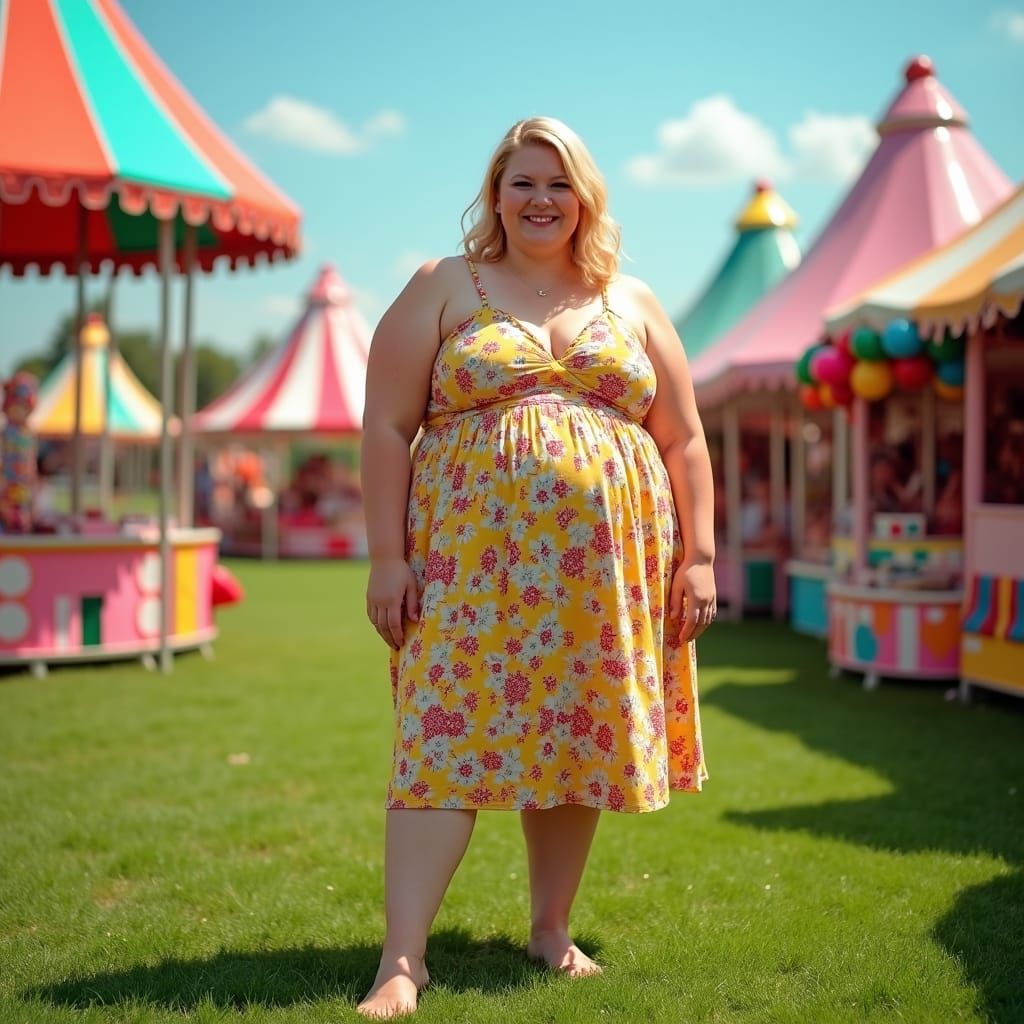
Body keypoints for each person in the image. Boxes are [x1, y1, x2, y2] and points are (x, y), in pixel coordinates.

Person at [359, 117, 716, 1019]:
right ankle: (402, 960)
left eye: (558, 184)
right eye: (522, 182)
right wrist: (387, 559)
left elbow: (684, 438)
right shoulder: (445, 285)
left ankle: (550, 929)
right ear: (496, 195)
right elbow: (387, 427)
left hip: (602, 578)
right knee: (439, 742)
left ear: (585, 198)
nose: (541, 200)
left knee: (575, 739)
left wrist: (702, 557)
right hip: (467, 572)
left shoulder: (633, 300)